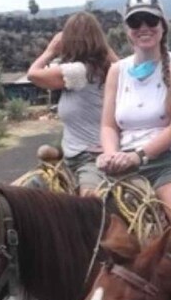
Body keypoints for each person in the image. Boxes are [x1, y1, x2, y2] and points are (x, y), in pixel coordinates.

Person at [96, 0, 171, 226]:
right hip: (124, 165)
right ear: (127, 30)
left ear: (162, 26)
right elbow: (108, 125)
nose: (143, 27)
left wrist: (139, 156)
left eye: (151, 20)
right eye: (135, 22)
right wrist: (110, 155)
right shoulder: (117, 70)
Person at [27, 12, 118, 194]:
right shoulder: (102, 68)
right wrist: (104, 47)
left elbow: (33, 74)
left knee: (88, 204)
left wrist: (51, 50)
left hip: (90, 158)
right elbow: (121, 65)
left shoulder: (79, 71)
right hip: (73, 154)